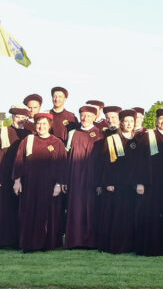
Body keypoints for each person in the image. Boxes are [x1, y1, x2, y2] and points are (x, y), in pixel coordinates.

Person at [12, 112, 67, 251]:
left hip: (49, 186)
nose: (41, 126)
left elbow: (62, 165)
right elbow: (19, 161)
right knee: (29, 213)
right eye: (38, 124)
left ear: (49, 126)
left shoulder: (57, 143)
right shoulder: (28, 140)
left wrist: (59, 184)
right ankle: (29, 244)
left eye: (44, 124)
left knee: (48, 214)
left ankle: (47, 244)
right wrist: (17, 181)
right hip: (30, 185)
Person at [98, 109, 144, 254]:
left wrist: (140, 182)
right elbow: (106, 163)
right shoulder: (112, 140)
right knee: (118, 215)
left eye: (132, 121)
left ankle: (131, 245)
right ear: (121, 123)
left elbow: (142, 164)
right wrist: (108, 182)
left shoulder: (139, 140)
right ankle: (117, 246)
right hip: (117, 184)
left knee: (132, 214)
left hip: (133, 184)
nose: (129, 124)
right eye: (126, 121)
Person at [135, 107, 163, 256]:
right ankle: (150, 248)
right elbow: (139, 161)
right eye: (161, 119)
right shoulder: (149, 136)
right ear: (157, 120)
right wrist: (140, 182)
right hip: (151, 183)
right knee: (151, 214)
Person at [63, 104, 103, 250]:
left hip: (92, 178)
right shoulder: (73, 133)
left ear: (94, 117)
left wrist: (100, 182)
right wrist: (65, 179)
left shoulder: (99, 134)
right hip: (75, 176)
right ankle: (74, 241)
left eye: (89, 115)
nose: (85, 118)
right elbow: (66, 156)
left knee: (91, 208)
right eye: (83, 115)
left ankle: (90, 242)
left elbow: (102, 160)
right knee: (75, 207)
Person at [0, 106, 29, 247]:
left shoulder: (30, 134)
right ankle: (6, 241)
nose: (20, 120)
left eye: (23, 118)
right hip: (5, 175)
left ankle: (20, 240)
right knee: (6, 209)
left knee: (22, 209)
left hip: (24, 176)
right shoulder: (4, 131)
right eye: (17, 117)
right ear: (12, 117)